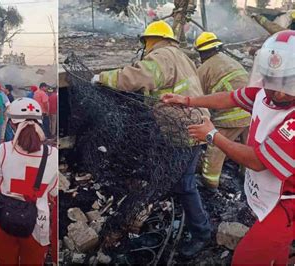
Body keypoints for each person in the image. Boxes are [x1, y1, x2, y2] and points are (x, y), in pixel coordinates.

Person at [161, 30, 295, 265]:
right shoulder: (265, 95)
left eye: (289, 84)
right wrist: (188, 100)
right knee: (275, 251)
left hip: (288, 204)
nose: (280, 93)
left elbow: (257, 160)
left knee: (245, 258)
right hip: (271, 195)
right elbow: (230, 97)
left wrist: (212, 135)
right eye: (275, 82)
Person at [92, 20, 212, 257]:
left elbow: (140, 76)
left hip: (184, 131)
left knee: (185, 186)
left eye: (146, 42)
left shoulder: (163, 55)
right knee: (181, 180)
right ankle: (195, 224)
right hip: (192, 126)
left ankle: (202, 233)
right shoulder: (180, 55)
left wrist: (103, 78)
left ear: (151, 40)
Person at [0, 97, 58, 265]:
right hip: (37, 224)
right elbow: (54, 193)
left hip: (6, 220)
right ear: (40, 122)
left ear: (12, 124)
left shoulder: (3, 150)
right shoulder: (53, 154)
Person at [194, 32, 251, 190]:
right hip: (251, 111)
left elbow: (199, 97)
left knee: (216, 149)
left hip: (230, 116)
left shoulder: (204, 69)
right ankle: (246, 176)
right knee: (249, 147)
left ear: (201, 52)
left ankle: (210, 183)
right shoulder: (231, 61)